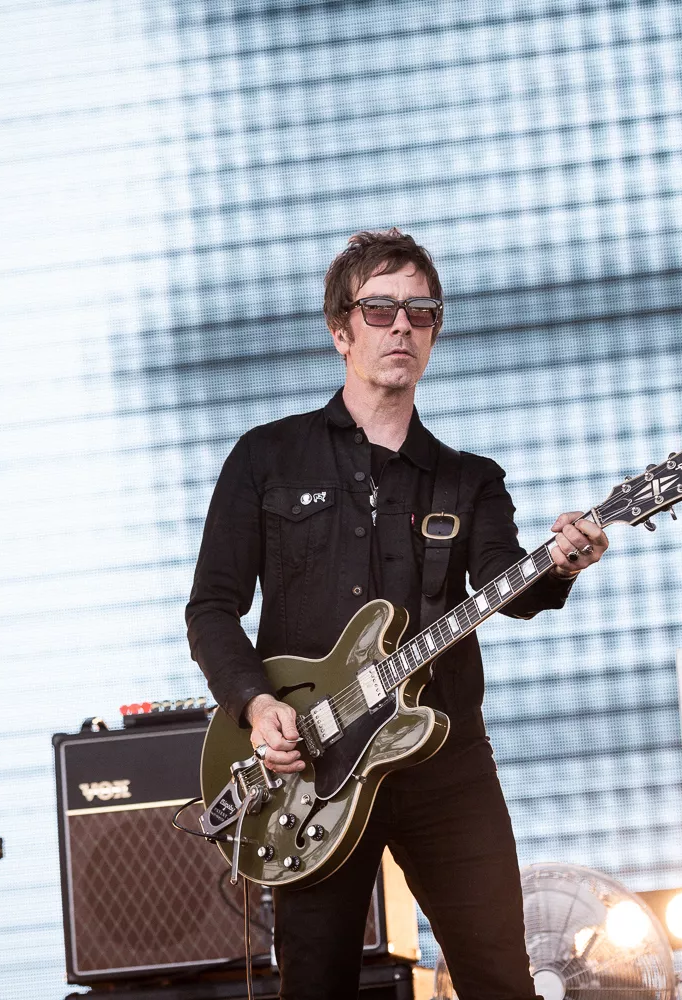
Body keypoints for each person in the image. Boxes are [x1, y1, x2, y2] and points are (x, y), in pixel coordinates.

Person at [185, 228, 608, 998]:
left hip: (445, 765)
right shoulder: (265, 460)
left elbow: (509, 586)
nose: (402, 326)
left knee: (501, 980)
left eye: (422, 311)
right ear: (340, 331)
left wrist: (561, 562)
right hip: (313, 769)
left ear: (436, 331)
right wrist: (255, 704)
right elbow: (212, 608)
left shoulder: (468, 481)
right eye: (379, 309)